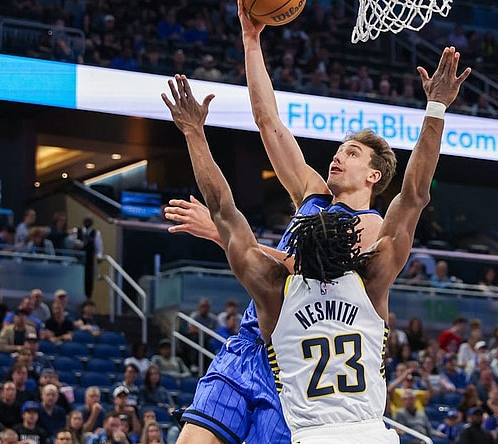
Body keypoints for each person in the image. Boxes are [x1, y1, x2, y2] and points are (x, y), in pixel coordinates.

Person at [161, 36, 468, 444]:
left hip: (296, 368)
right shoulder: (312, 191)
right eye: (339, 150)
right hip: (253, 341)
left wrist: (219, 233)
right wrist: (252, 41)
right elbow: (268, 121)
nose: (338, 157)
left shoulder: (371, 226)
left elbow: (301, 267)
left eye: (353, 153)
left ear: (374, 175)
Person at [75, 217, 103, 298]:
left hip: (89, 260)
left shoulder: (96, 233)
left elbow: (99, 247)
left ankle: (88, 297)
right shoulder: (77, 231)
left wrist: (99, 256)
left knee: (88, 280)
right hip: (78, 260)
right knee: (79, 279)